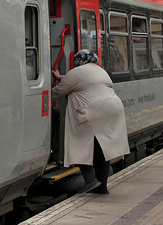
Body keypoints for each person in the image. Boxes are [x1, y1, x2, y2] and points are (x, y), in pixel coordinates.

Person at [51, 49, 129, 194]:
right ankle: (102, 187)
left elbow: (57, 92)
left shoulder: (76, 73)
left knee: (78, 145)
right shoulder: (100, 71)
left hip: (93, 113)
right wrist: (62, 77)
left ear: (78, 61)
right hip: (113, 109)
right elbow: (79, 81)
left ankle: (90, 180)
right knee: (101, 151)